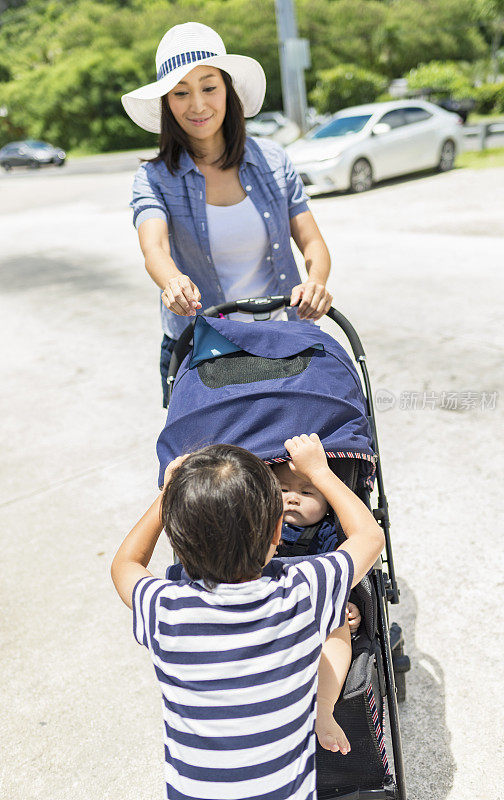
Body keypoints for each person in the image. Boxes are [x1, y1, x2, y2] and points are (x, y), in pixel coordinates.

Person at [111, 434, 384, 800]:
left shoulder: (165, 609)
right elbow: (369, 535)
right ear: (277, 532)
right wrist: (320, 472)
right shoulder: (303, 591)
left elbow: (125, 564)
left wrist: (167, 495)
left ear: (175, 542)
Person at [121, 22, 333, 406]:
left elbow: (312, 240)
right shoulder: (153, 178)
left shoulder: (272, 160)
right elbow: (154, 249)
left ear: (228, 89)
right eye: (181, 92)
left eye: (208, 87)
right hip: (204, 349)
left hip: (282, 341)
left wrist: (315, 281)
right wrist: (172, 282)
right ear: (167, 103)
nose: (197, 105)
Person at [272, 459, 363, 752]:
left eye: (308, 493)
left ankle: (323, 707)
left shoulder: (327, 534)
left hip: (313, 609)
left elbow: (345, 574)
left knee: (337, 625)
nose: (292, 498)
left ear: (328, 505)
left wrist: (346, 604)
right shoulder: (254, 523)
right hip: (268, 608)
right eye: (282, 489)